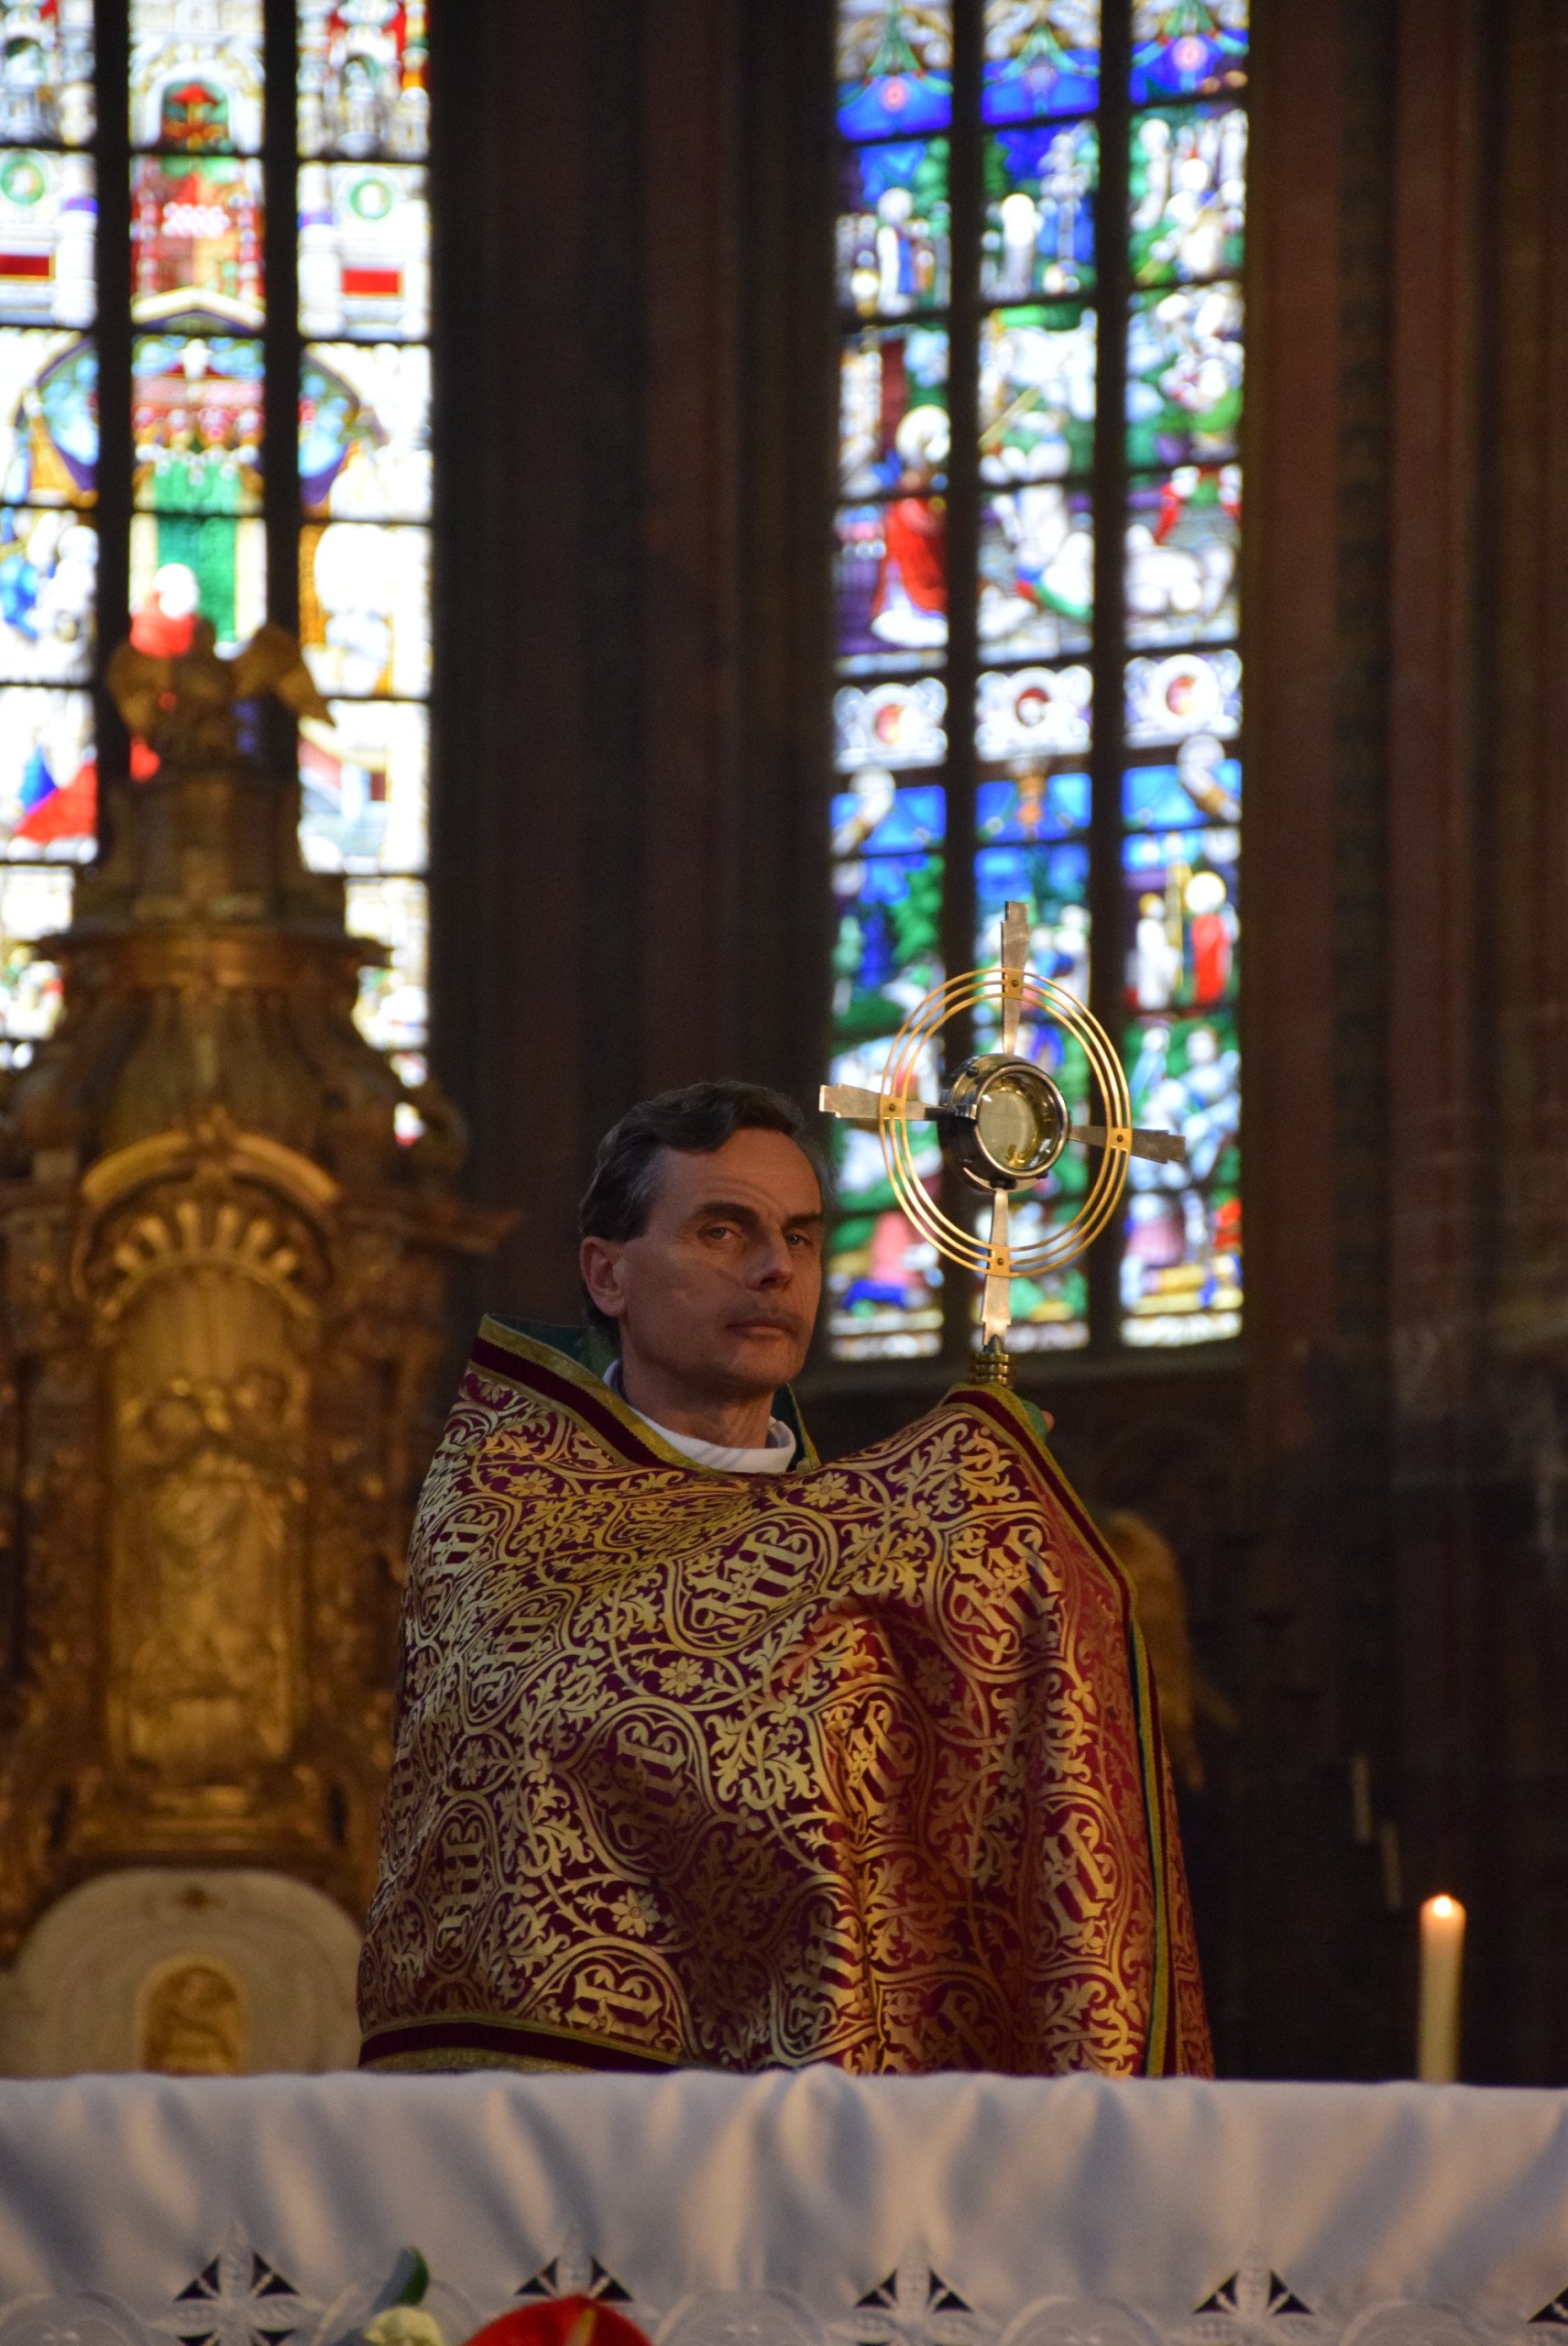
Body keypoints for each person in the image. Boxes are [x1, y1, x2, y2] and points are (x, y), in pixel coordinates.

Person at [357, 1080, 1211, 2077]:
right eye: (723, 1231)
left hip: (821, 2127)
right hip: (547, 2118)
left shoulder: (895, 1552)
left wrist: (1005, 1555)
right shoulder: (504, 1506)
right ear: (607, 1274)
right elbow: (558, 1721)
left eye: (802, 1237)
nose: (774, 1268)